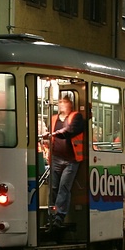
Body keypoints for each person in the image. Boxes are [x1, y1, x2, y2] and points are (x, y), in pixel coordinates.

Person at [42, 94, 86, 229]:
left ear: (70, 104)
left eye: (64, 102)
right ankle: (51, 215)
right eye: (60, 102)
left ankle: (59, 217)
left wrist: (55, 134)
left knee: (64, 188)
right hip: (56, 158)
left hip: (71, 160)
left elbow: (70, 131)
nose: (61, 104)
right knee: (53, 188)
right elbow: (49, 134)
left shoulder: (76, 117)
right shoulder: (54, 118)